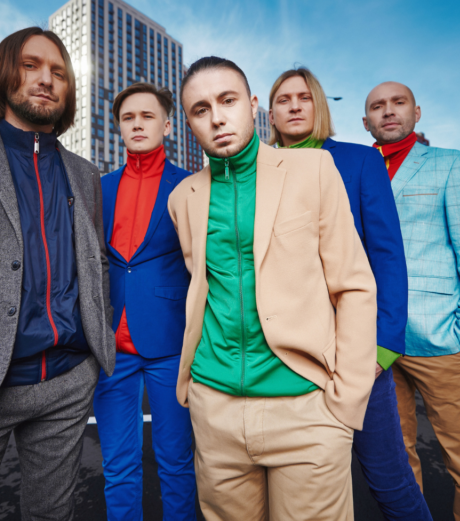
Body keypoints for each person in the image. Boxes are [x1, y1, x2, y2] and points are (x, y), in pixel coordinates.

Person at [167, 56, 377, 520]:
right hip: (215, 408)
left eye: (227, 101)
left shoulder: (314, 170)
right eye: (200, 110)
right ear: (188, 123)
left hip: (307, 408)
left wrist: (346, 397)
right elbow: (203, 290)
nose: (217, 117)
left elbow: (354, 285)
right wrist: (197, 396)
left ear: (253, 105)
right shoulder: (183, 198)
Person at [0, 26, 115, 520]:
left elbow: (96, 260)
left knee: (52, 515)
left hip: (67, 381)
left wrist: (93, 339)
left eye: (59, 72)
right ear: (4, 75)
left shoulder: (84, 173)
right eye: (31, 66)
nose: (46, 79)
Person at [267, 68, 430, 520]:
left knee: (387, 478)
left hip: (355, 351)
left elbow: (388, 258)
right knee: (304, 486)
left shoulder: (360, 162)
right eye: (284, 100)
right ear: (271, 113)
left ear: (318, 106)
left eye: (305, 97)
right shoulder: (257, 170)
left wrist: (381, 347)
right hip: (286, 356)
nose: (295, 106)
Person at [94, 82, 196, 520]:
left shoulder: (190, 186)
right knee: (117, 466)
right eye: (128, 118)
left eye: (147, 116)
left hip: (169, 342)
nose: (137, 124)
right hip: (111, 346)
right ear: (118, 127)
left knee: (177, 464)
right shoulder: (99, 187)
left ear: (167, 125)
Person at [363, 80, 460, 520]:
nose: (388, 112)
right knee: (396, 458)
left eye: (397, 103)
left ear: (416, 113)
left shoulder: (448, 165)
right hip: (374, 337)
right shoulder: (357, 168)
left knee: (457, 449)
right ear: (365, 121)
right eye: (377, 107)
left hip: (436, 332)